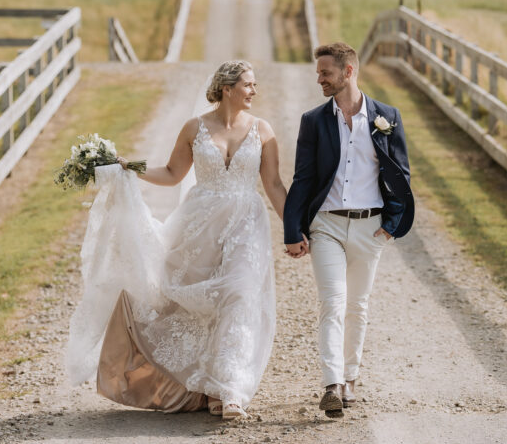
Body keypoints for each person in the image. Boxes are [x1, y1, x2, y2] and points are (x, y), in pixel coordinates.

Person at [65, 60, 287, 419]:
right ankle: (204, 387)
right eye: (248, 84)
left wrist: (295, 228)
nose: (254, 91)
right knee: (186, 297)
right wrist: (127, 167)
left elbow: (274, 185)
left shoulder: (262, 129)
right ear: (227, 88)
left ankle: (229, 391)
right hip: (199, 223)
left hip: (247, 222)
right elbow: (171, 174)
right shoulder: (194, 128)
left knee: (241, 293)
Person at [283, 42, 414, 418]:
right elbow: (303, 178)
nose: (320, 79)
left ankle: (351, 377)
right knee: (333, 303)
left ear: (349, 71)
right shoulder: (313, 121)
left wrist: (390, 227)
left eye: (326, 72)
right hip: (326, 226)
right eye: (319, 73)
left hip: (370, 228)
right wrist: (294, 229)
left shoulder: (387, 117)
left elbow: (401, 175)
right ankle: (331, 383)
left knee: (357, 306)